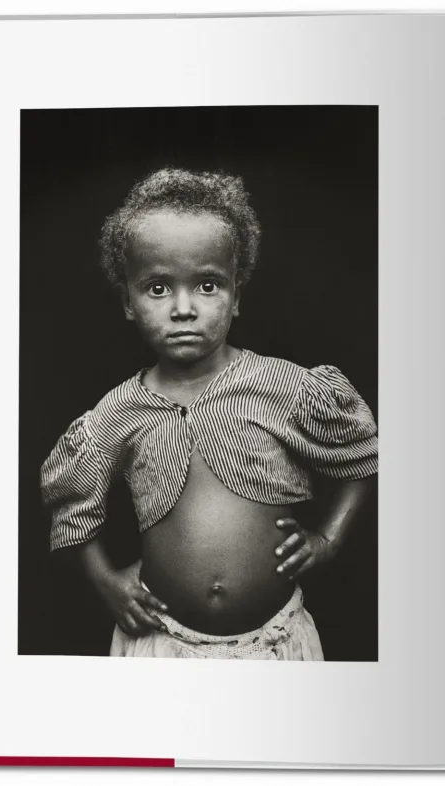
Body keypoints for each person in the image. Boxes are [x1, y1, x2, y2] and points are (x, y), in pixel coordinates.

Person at [40, 168, 378, 660]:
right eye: (157, 288)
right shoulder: (119, 411)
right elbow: (72, 506)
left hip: (276, 645)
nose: (183, 308)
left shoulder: (282, 386)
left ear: (236, 295)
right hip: (162, 645)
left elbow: (363, 454)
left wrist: (328, 538)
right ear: (128, 302)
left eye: (207, 285)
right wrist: (107, 582)